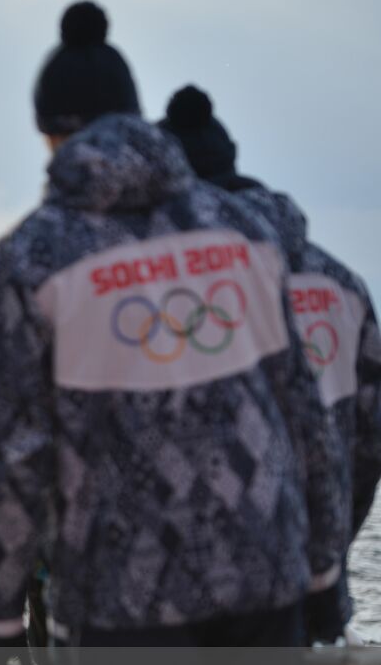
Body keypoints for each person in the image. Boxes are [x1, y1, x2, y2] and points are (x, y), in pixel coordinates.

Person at [0, 1, 347, 665]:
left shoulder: (33, 258)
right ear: (137, 118)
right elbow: (303, 414)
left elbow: (10, 458)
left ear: (45, 132)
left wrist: (0, 613)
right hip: (261, 580)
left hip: (122, 604)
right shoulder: (242, 231)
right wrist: (322, 568)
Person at [160, 83, 381, 620]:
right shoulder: (342, 286)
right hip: (309, 573)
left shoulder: (164, 284)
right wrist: (326, 559)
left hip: (173, 589)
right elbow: (367, 444)